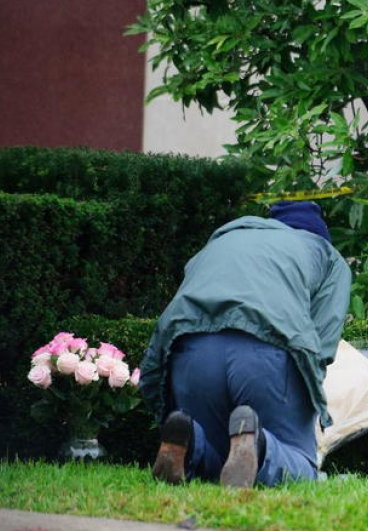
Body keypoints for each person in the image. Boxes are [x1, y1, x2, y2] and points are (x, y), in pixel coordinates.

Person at [138, 200, 351, 488]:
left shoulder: (219, 243)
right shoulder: (327, 255)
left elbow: (165, 330)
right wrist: (309, 401)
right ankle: (260, 444)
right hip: (265, 354)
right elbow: (323, 344)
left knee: (215, 449)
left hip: (190, 352)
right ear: (319, 234)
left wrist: (161, 408)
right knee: (302, 464)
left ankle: (188, 438)